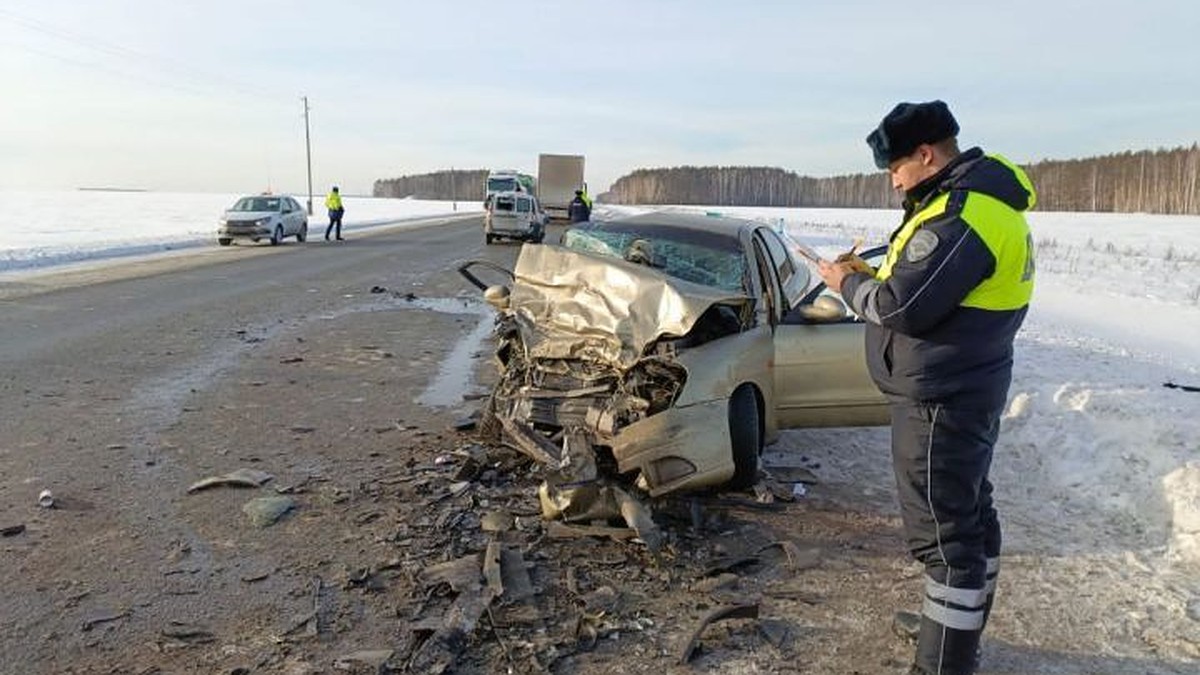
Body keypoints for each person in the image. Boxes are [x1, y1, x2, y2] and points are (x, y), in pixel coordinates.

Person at [817, 100, 1036, 675]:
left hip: (942, 397)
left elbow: (903, 307)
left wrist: (846, 284)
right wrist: (872, 273)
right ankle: (956, 632)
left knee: (947, 538)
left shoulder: (964, 215)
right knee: (970, 514)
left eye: (895, 168)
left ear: (925, 153)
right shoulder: (968, 205)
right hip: (964, 383)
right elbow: (920, 285)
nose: (892, 181)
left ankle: (944, 661)